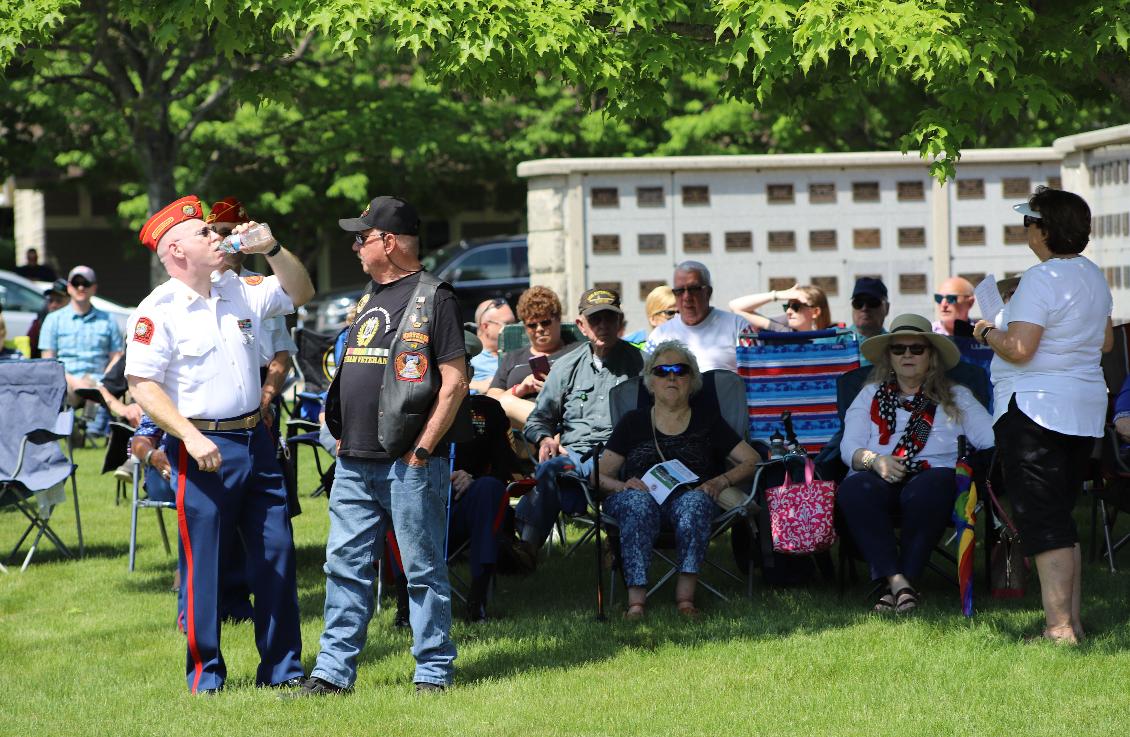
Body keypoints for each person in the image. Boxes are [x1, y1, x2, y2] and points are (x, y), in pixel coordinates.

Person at [125, 195, 314, 694]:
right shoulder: (157, 310)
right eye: (203, 233)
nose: (217, 236)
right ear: (177, 251)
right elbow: (142, 385)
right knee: (203, 567)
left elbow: (301, 290)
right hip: (202, 446)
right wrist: (187, 435)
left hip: (256, 439)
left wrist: (272, 247)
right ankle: (205, 677)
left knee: (276, 555)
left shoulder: (241, 289)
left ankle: (283, 671)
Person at [297, 195, 470, 697]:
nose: (355, 246)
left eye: (362, 237)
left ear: (388, 242)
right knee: (344, 568)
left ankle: (433, 672)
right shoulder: (370, 294)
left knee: (421, 571)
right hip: (353, 460)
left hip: (408, 461)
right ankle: (332, 674)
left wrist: (422, 450)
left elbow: (456, 381)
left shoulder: (434, 298)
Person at [973, 187, 1113, 644]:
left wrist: (987, 329)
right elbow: (1106, 343)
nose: (1026, 230)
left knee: (1042, 520)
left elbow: (1018, 349)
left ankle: (1058, 629)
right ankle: (1072, 623)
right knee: (1061, 517)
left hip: (1035, 410)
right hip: (1083, 409)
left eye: (1029, 222)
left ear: (1044, 230)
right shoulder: (1093, 276)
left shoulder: (1040, 279)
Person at [837, 313, 994, 614]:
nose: (907, 355)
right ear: (889, 357)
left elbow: (991, 439)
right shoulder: (869, 395)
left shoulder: (957, 397)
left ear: (931, 356)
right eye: (899, 349)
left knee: (932, 485)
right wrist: (874, 460)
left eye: (916, 349)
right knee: (855, 489)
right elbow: (849, 448)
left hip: (934, 478)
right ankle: (899, 583)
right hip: (878, 472)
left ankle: (896, 584)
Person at [598, 341, 760, 619]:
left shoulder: (707, 420)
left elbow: (752, 459)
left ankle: (685, 599)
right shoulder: (633, 422)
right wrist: (622, 486)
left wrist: (720, 482)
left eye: (680, 370)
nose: (671, 376)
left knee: (695, 504)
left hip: (690, 499)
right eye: (662, 371)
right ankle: (636, 603)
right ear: (650, 382)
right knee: (636, 503)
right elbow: (599, 473)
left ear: (692, 380)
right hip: (640, 498)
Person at [515, 287, 644, 563]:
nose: (603, 326)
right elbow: (539, 419)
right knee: (550, 467)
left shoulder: (640, 364)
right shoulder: (565, 367)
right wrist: (545, 439)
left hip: (622, 455)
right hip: (574, 455)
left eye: (610, 318)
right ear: (581, 326)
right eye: (595, 319)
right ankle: (526, 549)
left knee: (627, 467)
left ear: (620, 322)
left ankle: (617, 541)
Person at [207, 197, 298, 429]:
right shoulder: (200, 286)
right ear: (211, 235)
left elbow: (282, 353)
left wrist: (265, 397)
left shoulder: (262, 286)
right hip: (215, 395)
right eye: (226, 232)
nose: (235, 240)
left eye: (240, 234)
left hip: (263, 391)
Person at [39, 265, 124, 437]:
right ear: (69, 287)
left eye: (85, 283)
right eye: (76, 283)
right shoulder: (53, 320)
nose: (80, 287)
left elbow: (117, 356)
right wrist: (74, 381)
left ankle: (89, 430)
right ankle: (85, 429)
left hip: (101, 382)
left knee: (101, 388)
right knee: (84, 389)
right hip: (66, 382)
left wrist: (105, 379)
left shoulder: (108, 320)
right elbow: (49, 361)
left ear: (94, 288)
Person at [486, 285, 582, 428]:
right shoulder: (513, 358)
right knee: (504, 403)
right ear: (525, 327)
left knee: (507, 403)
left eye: (545, 322)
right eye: (532, 325)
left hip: (565, 417)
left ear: (558, 319)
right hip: (521, 430)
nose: (539, 329)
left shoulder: (577, 352)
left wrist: (555, 386)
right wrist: (521, 389)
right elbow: (492, 400)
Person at [645, 261, 748, 372]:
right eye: (680, 291)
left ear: (708, 292)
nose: (686, 297)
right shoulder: (659, 336)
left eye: (693, 289)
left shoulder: (739, 327)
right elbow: (647, 379)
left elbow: (755, 377)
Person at [728, 283, 833, 332]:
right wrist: (778, 295)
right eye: (787, 306)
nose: (788, 311)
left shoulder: (834, 338)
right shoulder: (783, 330)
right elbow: (735, 307)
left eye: (796, 306)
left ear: (815, 312)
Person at [469, 297, 516, 395]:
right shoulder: (468, 356)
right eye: (508, 324)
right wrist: (476, 385)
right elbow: (446, 383)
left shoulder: (521, 350)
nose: (515, 328)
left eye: (514, 323)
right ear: (485, 327)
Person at [27, 279, 69, 359]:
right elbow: (28, 352)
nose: (53, 305)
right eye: (50, 300)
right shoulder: (39, 323)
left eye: (58, 301)